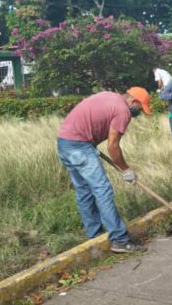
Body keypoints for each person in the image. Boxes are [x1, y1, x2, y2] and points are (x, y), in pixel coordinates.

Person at [56, 87, 151, 253]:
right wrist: (126, 170)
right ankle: (120, 240)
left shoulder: (109, 96)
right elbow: (113, 146)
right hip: (79, 145)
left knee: (85, 191)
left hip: (64, 142)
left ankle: (95, 235)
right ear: (133, 101)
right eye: (140, 108)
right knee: (103, 190)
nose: (139, 112)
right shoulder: (123, 111)